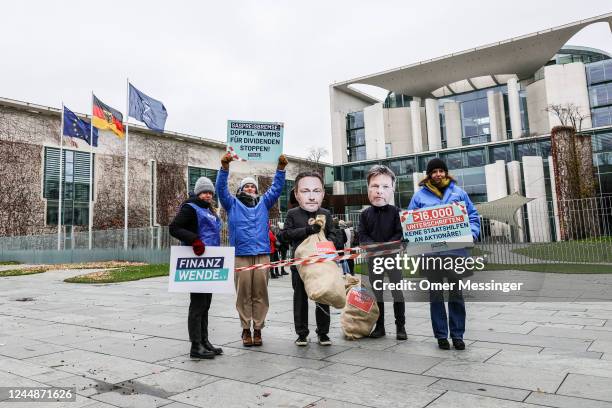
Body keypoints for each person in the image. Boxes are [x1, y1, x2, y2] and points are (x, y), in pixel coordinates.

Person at [407, 158, 480, 350]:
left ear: (446, 173)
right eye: (434, 171)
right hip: (431, 256)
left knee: (456, 294)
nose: (438, 174)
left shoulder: (459, 193)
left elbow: (472, 216)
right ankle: (441, 336)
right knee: (436, 295)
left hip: (456, 252)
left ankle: (457, 335)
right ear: (429, 174)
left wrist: (471, 233)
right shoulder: (419, 197)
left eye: (441, 170)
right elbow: (411, 223)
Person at [216, 152, 287, 347]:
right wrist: (224, 168)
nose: (250, 188)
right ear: (241, 189)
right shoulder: (232, 204)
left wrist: (280, 169)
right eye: (246, 186)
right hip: (241, 255)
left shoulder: (264, 203)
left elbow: (276, 188)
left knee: (261, 293)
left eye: (252, 186)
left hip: (262, 254)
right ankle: (246, 329)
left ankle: (258, 329)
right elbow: (221, 189)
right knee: (243, 293)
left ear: (256, 190)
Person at [278, 171, 339, 347]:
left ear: (322, 194)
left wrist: (328, 242)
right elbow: (284, 235)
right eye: (305, 191)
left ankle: (323, 333)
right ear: (297, 194)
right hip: (300, 267)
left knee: (323, 298)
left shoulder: (326, 214)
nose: (311, 197)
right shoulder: (292, 214)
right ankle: (302, 334)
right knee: (300, 300)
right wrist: (306, 230)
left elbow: (335, 236)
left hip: (322, 266)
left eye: (316, 191)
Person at [169, 176, 224, 359]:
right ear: (197, 192)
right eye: (204, 192)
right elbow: (174, 228)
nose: (207, 195)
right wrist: (194, 240)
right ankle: (195, 346)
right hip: (196, 261)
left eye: (210, 192)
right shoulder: (190, 208)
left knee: (206, 304)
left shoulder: (209, 209)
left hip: (210, 261)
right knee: (198, 304)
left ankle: (204, 341)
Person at [358, 165, 407, 340]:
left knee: (397, 293)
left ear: (392, 189)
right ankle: (380, 327)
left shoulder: (396, 213)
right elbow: (362, 236)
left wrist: (385, 247)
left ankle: (400, 326)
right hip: (373, 260)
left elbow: (400, 233)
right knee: (377, 293)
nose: (379, 191)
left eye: (385, 187)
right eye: (375, 186)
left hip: (392, 259)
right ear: (368, 188)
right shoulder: (365, 214)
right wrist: (374, 248)